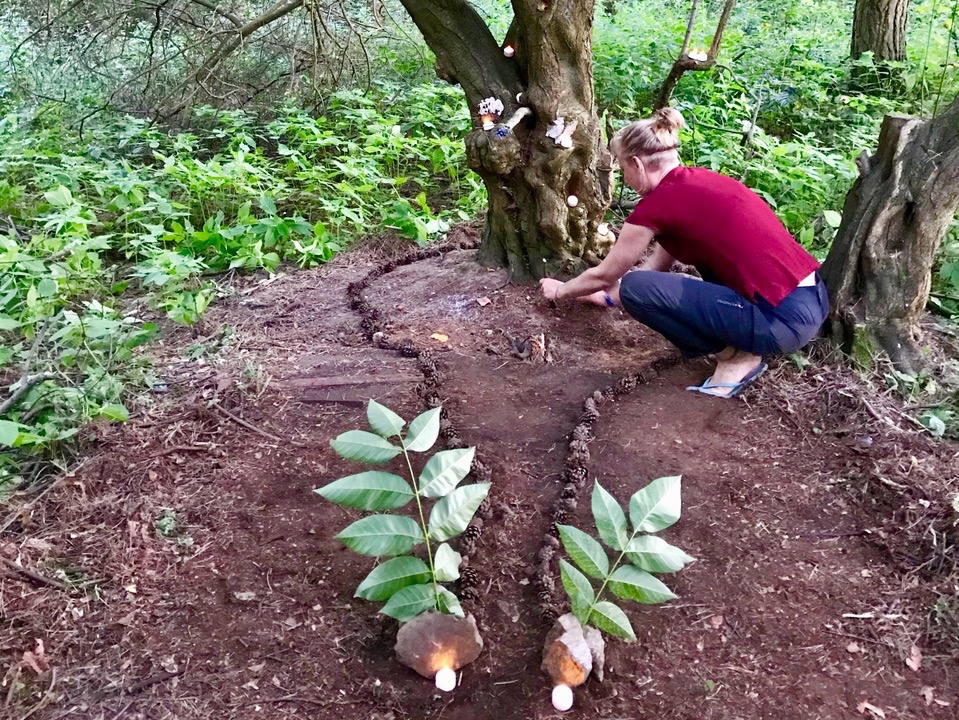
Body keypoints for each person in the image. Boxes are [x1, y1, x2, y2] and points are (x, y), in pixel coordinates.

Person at [539, 107, 829, 398]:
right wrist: (606, 298)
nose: (624, 178)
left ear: (637, 164)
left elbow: (606, 275)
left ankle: (735, 358)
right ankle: (742, 346)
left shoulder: (658, 205)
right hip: (811, 299)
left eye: (623, 168)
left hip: (779, 321)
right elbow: (656, 266)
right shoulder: (698, 183)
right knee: (639, 285)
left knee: (634, 287)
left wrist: (561, 291)